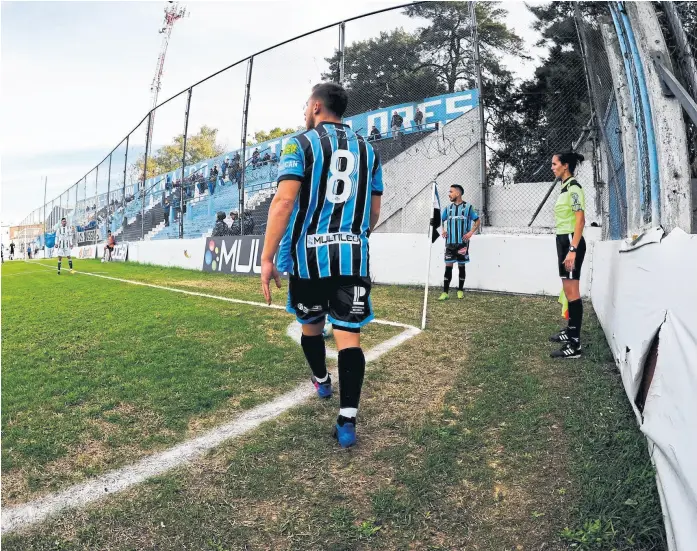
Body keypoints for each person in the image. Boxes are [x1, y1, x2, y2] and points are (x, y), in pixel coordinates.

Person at [260, 82, 383, 449]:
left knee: (311, 328)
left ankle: (321, 380)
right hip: (353, 257)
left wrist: (267, 258)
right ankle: (347, 421)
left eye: (305, 106)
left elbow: (283, 202)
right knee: (349, 338)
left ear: (316, 106)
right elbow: (374, 211)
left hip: (308, 259)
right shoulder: (369, 150)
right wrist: (354, 237)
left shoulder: (299, 144)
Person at [549, 151, 587, 359]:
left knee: (573, 292)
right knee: (567, 287)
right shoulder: (564, 187)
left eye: (555, 164)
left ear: (565, 166)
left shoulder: (574, 188)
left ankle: (575, 345)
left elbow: (580, 221)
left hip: (572, 242)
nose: (552, 167)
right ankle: (570, 331)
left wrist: (572, 250)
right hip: (562, 241)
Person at [438, 185, 480, 301]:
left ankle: (460, 290)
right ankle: (445, 292)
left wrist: (471, 232)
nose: (449, 194)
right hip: (450, 243)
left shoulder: (468, 208)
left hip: (462, 243)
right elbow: (442, 220)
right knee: (448, 267)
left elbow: (477, 220)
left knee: (461, 266)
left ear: (458, 193)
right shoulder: (448, 208)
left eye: (451, 192)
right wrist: (443, 230)